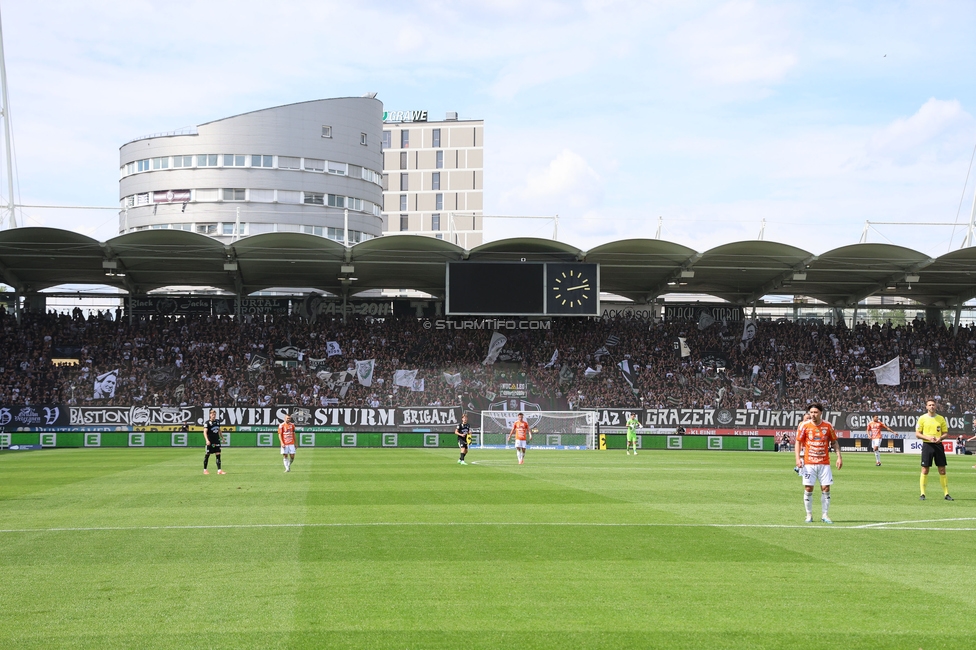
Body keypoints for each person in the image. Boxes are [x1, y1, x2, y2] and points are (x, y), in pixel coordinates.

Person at [795, 403, 842, 523]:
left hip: (824, 462)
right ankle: (809, 515)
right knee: (808, 488)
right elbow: (798, 442)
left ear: (821, 413)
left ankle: (825, 515)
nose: (813, 415)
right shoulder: (804, 425)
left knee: (826, 488)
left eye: (815, 412)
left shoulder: (828, 426)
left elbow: (834, 442)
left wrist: (839, 457)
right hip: (809, 462)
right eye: (811, 412)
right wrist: (797, 459)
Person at [916, 399, 952, 501]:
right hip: (927, 445)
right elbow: (918, 434)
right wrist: (928, 438)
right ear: (926, 407)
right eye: (930, 405)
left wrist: (940, 438)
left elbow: (945, 433)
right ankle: (922, 494)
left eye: (933, 405)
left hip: (938, 445)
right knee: (925, 469)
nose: (932, 406)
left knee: (942, 469)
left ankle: (946, 494)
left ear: (936, 406)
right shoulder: (922, 418)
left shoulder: (941, 418)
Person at [203, 409, 225, 475]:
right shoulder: (207, 423)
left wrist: (222, 438)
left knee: (218, 454)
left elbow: (219, 430)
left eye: (214, 414)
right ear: (210, 415)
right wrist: (207, 440)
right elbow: (204, 432)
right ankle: (205, 470)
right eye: (212, 414)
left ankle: (219, 470)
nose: (214, 416)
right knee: (207, 455)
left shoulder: (217, 422)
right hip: (210, 441)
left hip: (216, 441)